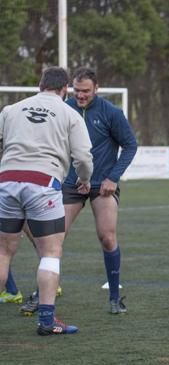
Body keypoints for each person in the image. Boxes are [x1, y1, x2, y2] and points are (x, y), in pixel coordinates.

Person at [21, 67, 137, 316]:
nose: (81, 95)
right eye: (77, 90)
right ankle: (42, 294)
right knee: (54, 241)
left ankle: (115, 298)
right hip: (70, 184)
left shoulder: (111, 113)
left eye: (86, 91)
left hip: (101, 186)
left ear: (97, 89)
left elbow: (130, 145)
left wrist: (113, 178)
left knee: (107, 236)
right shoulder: (62, 109)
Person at [0, 66, 93, 335]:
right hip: (43, 183)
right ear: (65, 89)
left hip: (6, 180)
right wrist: (85, 180)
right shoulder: (69, 113)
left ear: (40, 84)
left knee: (4, 252)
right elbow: (84, 157)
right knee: (51, 253)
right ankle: (47, 321)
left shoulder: (11, 110)